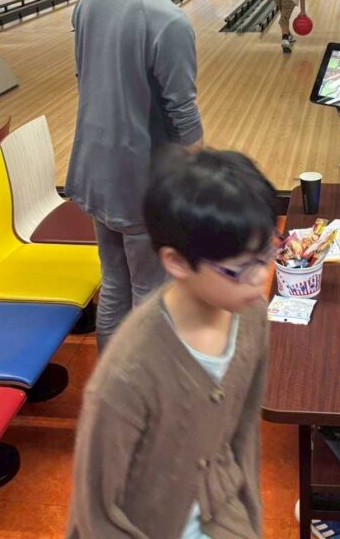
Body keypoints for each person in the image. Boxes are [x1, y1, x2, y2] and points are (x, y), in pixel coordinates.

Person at [67, 147, 275, 539]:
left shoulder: (252, 316)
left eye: (266, 253)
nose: (261, 276)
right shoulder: (128, 373)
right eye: (240, 268)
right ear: (177, 262)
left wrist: (250, 519)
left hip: (223, 516)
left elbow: (244, 433)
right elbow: (95, 511)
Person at [66, 0, 205, 349]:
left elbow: (84, 76)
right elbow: (183, 113)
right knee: (150, 291)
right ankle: (141, 385)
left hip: (95, 169)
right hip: (139, 179)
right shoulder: (169, 20)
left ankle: (112, 376)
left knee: (114, 282)